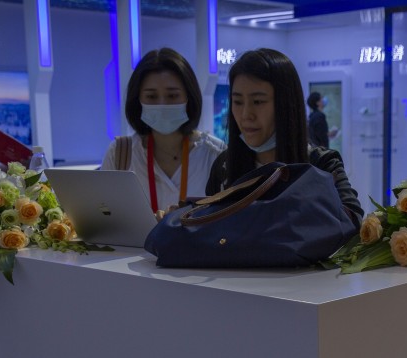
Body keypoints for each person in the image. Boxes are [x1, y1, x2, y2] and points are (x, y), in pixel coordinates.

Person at [206, 48, 363, 228]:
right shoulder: (224, 167)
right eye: (238, 102)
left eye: (258, 102)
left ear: (286, 104)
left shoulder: (321, 165)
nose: (246, 114)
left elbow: (352, 222)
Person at [101, 47, 225, 218]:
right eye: (151, 97)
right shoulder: (119, 154)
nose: (162, 104)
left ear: (189, 98)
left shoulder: (215, 154)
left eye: (172, 96)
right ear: (138, 100)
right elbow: (104, 219)